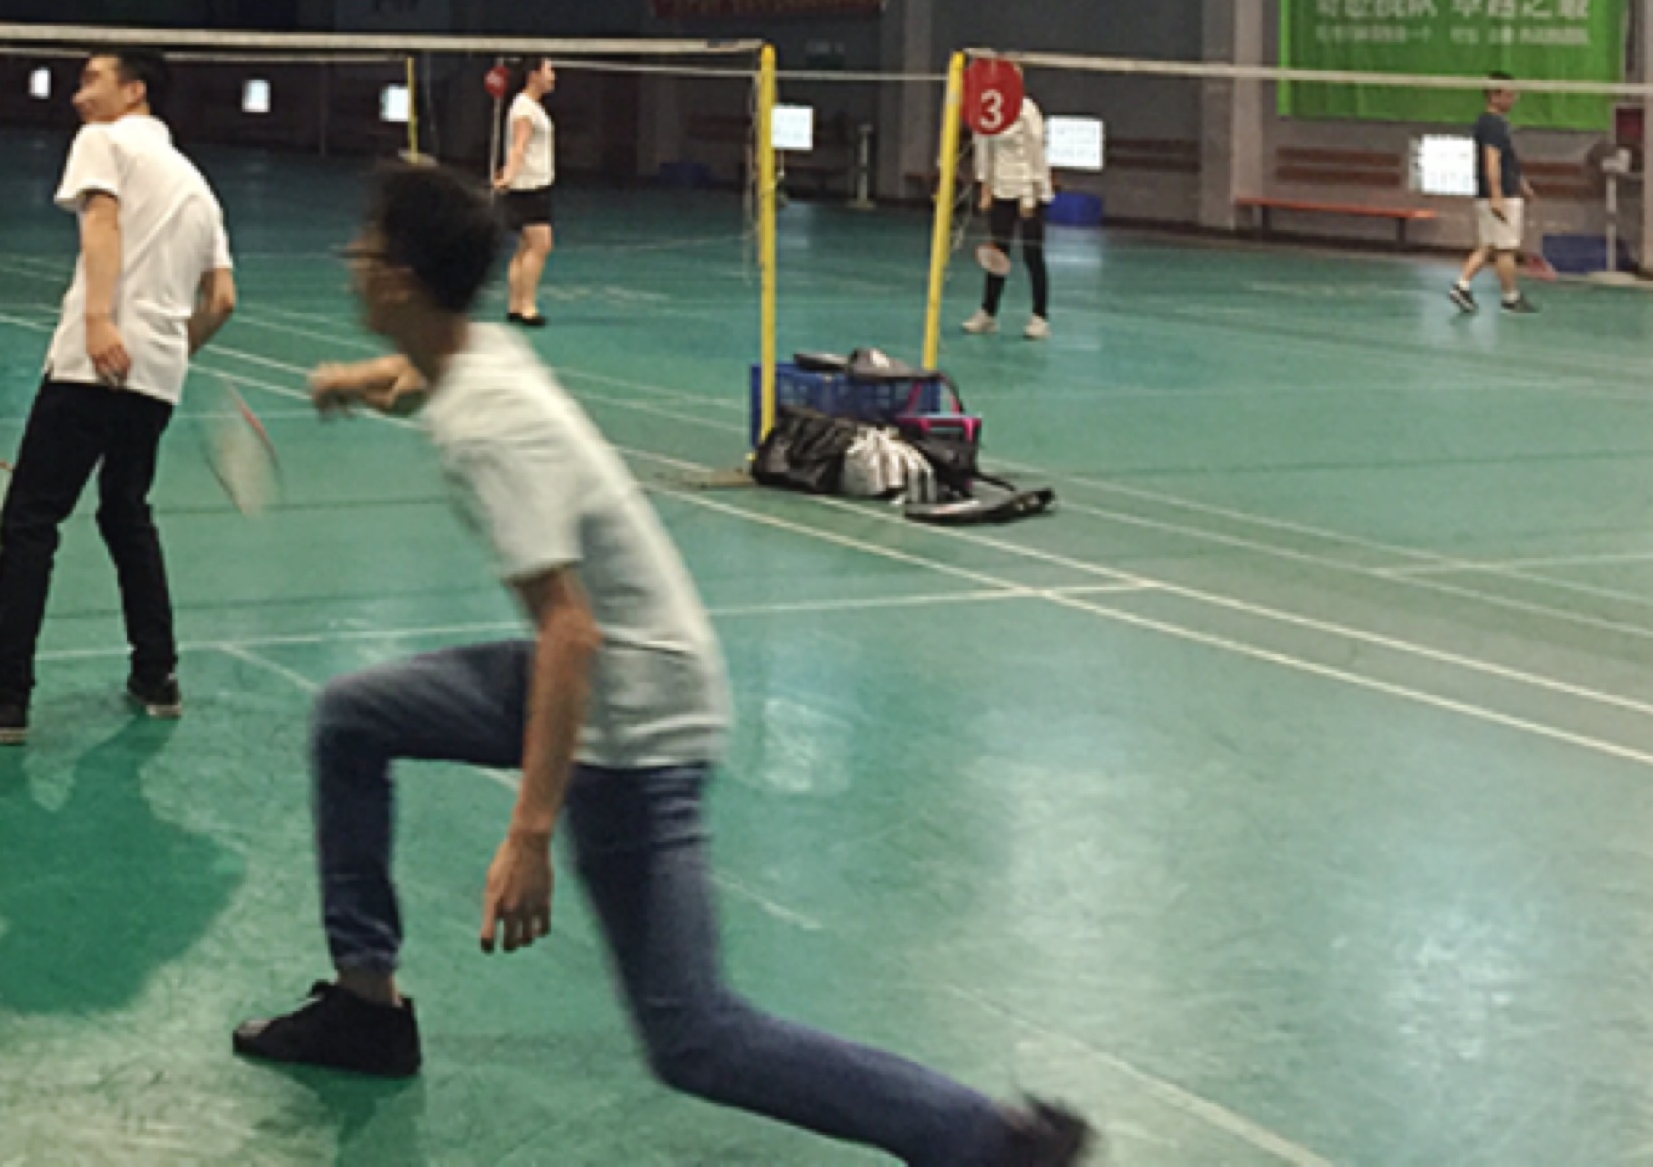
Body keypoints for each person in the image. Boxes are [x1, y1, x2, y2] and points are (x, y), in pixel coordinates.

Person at [236, 163, 1091, 1167]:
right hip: (617, 670)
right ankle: (365, 1006)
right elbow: (420, 379)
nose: (351, 259)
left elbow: (571, 635)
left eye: (366, 247)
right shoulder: (477, 356)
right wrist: (356, 382)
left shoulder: (486, 433)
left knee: (693, 1036)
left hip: (634, 716)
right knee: (352, 716)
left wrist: (528, 834)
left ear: (400, 279)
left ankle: (989, 1141)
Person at [0, 49, 233, 746]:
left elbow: (102, 223)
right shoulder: (198, 186)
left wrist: (100, 320)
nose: (77, 96)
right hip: (156, 377)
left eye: (92, 80)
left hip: (90, 365)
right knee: (126, 513)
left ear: (135, 90)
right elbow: (222, 300)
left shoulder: (104, 141)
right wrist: (170, 351)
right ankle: (157, 675)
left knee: (31, 519)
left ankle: (5, 695)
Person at [962, 83, 1051, 340]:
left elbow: (1035, 153)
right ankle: (988, 313)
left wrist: (1030, 195)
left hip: (1029, 190)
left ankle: (1040, 317)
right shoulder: (988, 109)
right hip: (1001, 189)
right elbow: (984, 149)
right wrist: (985, 186)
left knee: (1033, 255)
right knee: (996, 254)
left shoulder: (1027, 110)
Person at [1451, 73, 1535, 314]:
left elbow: (1507, 161)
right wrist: (1497, 195)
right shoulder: (1494, 125)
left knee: (1488, 246)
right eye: (1508, 94)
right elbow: (1492, 160)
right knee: (1505, 249)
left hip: (1497, 192)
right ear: (1494, 96)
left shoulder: (1490, 123)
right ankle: (1510, 297)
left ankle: (1462, 286)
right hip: (1500, 195)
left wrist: (1522, 184)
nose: (1514, 99)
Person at [492, 55, 556, 326]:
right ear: (534, 75)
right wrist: (508, 175)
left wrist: (507, 174)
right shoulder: (524, 110)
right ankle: (527, 306)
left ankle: (515, 305)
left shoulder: (529, 106)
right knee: (541, 245)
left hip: (531, 185)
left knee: (525, 247)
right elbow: (519, 146)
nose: (553, 76)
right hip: (530, 188)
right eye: (549, 71)